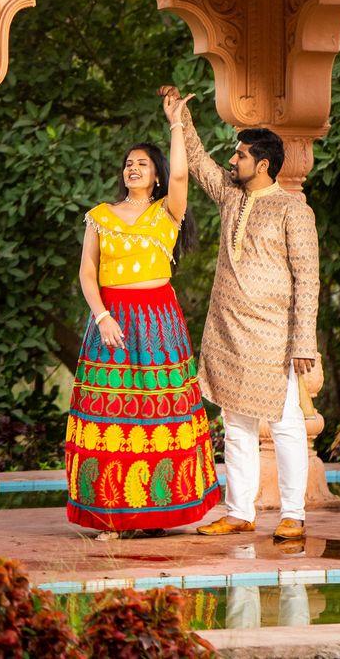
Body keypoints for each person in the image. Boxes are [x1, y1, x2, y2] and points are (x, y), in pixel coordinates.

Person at [161, 86, 319, 541]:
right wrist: (178, 121)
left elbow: (308, 278)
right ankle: (240, 511)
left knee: (286, 423)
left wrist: (304, 341)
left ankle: (293, 513)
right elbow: (197, 161)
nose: (233, 161)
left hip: (274, 335)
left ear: (263, 163)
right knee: (236, 424)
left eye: (241, 155)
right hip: (228, 329)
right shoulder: (231, 196)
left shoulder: (293, 210)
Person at [65, 103, 221, 535]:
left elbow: (182, 177)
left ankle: (157, 513)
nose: (133, 168)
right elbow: (86, 272)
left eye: (143, 164)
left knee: (159, 415)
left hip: (158, 322)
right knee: (110, 416)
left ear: (156, 175)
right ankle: (111, 518)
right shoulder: (99, 216)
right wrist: (101, 317)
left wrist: (175, 123)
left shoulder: (167, 212)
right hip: (110, 323)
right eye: (128, 164)